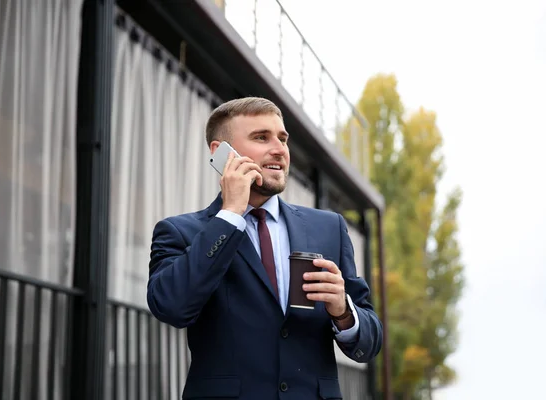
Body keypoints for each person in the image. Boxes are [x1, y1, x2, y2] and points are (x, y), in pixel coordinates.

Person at [147, 97, 382, 400]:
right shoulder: (181, 232)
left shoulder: (329, 228)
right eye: (261, 137)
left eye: (282, 139)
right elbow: (171, 307)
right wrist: (230, 215)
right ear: (221, 154)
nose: (279, 149)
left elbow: (370, 343)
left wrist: (343, 311)